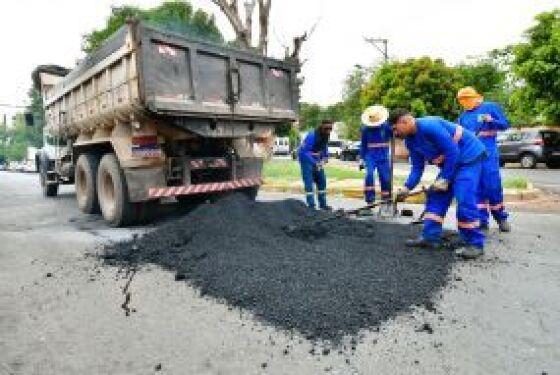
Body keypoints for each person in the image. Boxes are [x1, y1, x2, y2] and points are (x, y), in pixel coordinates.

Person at [390, 109, 487, 259]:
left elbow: (453, 151)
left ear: (406, 121)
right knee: (436, 196)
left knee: (464, 197)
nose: (395, 133)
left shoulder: (429, 126)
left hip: (469, 158)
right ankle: (430, 236)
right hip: (451, 163)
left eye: (396, 128)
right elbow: (417, 168)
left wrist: (445, 179)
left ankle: (475, 243)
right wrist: (406, 187)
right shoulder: (410, 141)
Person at [457, 87, 511, 232]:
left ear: (476, 97)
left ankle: (501, 218)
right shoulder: (463, 117)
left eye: (467, 99)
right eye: (462, 101)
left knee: (492, 185)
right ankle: (482, 220)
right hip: (472, 156)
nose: (465, 103)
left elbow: (505, 124)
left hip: (488, 153)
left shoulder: (490, 107)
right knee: (476, 188)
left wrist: (491, 120)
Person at [359, 105, 392, 206]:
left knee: (385, 178)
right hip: (370, 156)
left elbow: (396, 134)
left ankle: (386, 199)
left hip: (383, 156)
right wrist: (361, 159)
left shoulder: (386, 127)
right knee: (369, 175)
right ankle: (370, 200)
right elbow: (363, 144)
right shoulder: (365, 129)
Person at [297, 120, 333, 210]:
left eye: (330, 128)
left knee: (322, 180)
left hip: (317, 159)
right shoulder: (312, 135)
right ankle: (311, 205)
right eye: (326, 128)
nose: (328, 130)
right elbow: (305, 152)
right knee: (309, 182)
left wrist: (325, 157)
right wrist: (315, 162)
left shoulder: (326, 135)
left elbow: (324, 147)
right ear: (321, 127)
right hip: (306, 160)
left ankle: (323, 204)